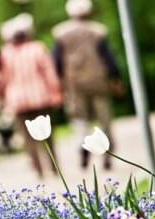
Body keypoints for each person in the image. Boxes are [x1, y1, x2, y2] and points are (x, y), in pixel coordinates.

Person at [52, 0, 123, 169]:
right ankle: (107, 152)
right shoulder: (97, 31)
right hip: (98, 80)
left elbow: (57, 61)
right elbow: (108, 57)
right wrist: (116, 77)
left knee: (79, 118)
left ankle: (84, 147)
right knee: (104, 117)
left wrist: (60, 81)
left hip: (74, 83)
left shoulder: (61, 33)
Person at [0, 14, 63, 177]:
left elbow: (3, 80)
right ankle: (53, 166)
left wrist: (3, 99)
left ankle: (38, 169)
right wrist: (56, 93)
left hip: (18, 101)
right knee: (47, 134)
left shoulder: (5, 53)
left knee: (27, 138)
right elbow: (49, 73)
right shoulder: (37, 48)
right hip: (40, 97)